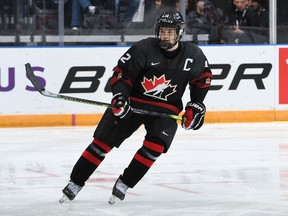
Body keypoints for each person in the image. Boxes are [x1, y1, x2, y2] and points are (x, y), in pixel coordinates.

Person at [59, 10, 212, 204]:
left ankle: (124, 183)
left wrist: (196, 104)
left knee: (155, 147)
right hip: (133, 103)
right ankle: (75, 182)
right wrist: (121, 96)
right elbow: (121, 74)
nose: (165, 35)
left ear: (179, 33)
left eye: (170, 32)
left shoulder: (194, 55)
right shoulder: (144, 48)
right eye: (162, 31)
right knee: (101, 144)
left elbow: (202, 80)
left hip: (166, 109)